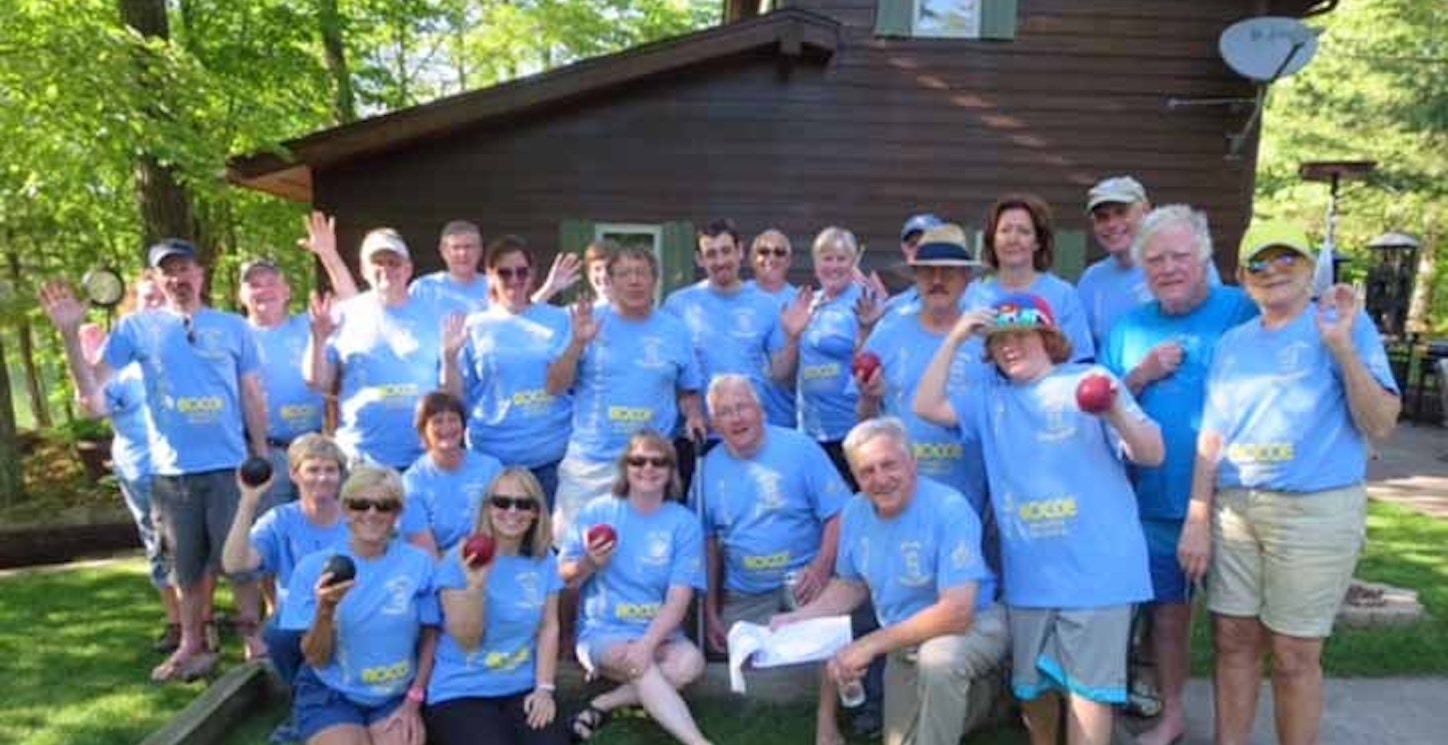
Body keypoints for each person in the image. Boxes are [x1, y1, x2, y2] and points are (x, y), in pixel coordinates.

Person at [1177, 220, 1400, 745]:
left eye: (1287, 259)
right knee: (1232, 640)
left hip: (1315, 510)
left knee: (1295, 653)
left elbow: (1382, 422)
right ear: (1241, 275)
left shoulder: (1343, 324)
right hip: (1236, 509)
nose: (1273, 270)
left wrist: (1342, 347)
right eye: (1260, 262)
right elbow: (1212, 437)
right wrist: (1197, 517)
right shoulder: (1232, 344)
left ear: (1309, 268)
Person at [914, 292, 1164, 745]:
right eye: (998, 340)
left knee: (1089, 694)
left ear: (1048, 337)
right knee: (1033, 693)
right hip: (1031, 577)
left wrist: (1113, 412)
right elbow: (926, 406)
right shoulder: (991, 402)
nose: (1010, 346)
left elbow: (1152, 452)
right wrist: (955, 337)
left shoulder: (1092, 379)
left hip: (1098, 573)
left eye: (1021, 335)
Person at [42, 239, 270, 682]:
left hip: (229, 469)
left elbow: (249, 393)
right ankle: (191, 646)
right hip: (171, 475)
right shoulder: (135, 329)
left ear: (200, 274)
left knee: (241, 563)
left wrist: (259, 453)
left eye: (184, 269)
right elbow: (91, 396)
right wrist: (70, 334)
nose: (177, 279)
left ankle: (254, 640)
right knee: (185, 570)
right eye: (167, 272)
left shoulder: (233, 327)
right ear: (156, 279)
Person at [1099, 205, 1257, 745]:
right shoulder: (1129, 329)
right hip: (1157, 500)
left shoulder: (1240, 311)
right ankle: (1172, 715)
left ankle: (1234, 729)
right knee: (1168, 617)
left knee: (1236, 627)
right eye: (1156, 259)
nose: (1168, 268)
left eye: (1179, 256)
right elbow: (1102, 405)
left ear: (1205, 258)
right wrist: (1140, 374)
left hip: (1234, 499)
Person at [771, 418, 1009, 745]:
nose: (880, 479)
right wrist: (797, 619)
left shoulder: (949, 507)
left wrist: (869, 645)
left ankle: (970, 693)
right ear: (854, 476)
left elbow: (957, 612)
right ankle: (987, 701)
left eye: (889, 464)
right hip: (903, 640)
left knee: (938, 663)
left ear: (912, 462)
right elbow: (851, 585)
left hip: (970, 626)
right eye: (866, 471)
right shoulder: (854, 512)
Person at [559, 432, 711, 745]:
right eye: (638, 461)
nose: (648, 468)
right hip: (603, 632)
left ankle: (602, 705)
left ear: (671, 471)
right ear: (625, 467)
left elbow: (678, 598)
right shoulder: (598, 511)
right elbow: (563, 577)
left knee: (690, 664)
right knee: (638, 662)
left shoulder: (683, 523)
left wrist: (647, 644)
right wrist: (589, 563)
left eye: (659, 462)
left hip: (661, 634)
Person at [548, 246, 706, 540]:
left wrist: (695, 414)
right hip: (592, 462)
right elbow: (555, 386)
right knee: (574, 558)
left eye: (641, 273)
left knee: (646, 560)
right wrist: (577, 345)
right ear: (610, 281)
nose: (634, 281)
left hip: (651, 467)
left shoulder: (675, 330)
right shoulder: (586, 321)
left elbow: (689, 390)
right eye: (624, 274)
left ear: (654, 280)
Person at [280, 465, 440, 745]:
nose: (372, 514)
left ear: (398, 514)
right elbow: (316, 657)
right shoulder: (314, 568)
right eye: (361, 504)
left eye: (385, 506)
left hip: (395, 693)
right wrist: (326, 609)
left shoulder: (419, 562)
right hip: (331, 691)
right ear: (345, 509)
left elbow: (431, 635)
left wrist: (414, 699)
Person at [698, 375, 849, 652]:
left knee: (823, 657)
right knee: (747, 671)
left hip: (806, 584)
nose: (736, 418)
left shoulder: (801, 448)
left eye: (742, 407)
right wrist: (709, 612)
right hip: (746, 593)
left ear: (761, 410)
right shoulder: (705, 469)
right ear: (714, 424)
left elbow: (839, 513)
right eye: (725, 412)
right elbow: (706, 546)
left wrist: (820, 569)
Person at [222, 433, 352, 744]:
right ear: (295, 474)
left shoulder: (357, 516)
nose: (322, 477)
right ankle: (304, 707)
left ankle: (308, 715)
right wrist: (248, 501)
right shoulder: (281, 519)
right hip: (299, 618)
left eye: (330, 470)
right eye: (313, 469)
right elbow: (235, 564)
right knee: (278, 633)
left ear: (340, 475)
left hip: (352, 611)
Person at [74, 271, 179, 651]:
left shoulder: (188, 345)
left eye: (160, 295)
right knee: (159, 546)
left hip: (187, 467)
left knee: (199, 546)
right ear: (131, 304)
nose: (154, 302)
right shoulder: (118, 360)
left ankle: (203, 620)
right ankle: (177, 622)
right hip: (142, 471)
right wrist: (84, 363)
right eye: (145, 296)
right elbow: (93, 407)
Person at [425, 468, 566, 745]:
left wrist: (544, 690)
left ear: (536, 512)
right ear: (488, 508)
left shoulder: (544, 559)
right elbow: (466, 639)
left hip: (520, 686)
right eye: (502, 502)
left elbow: (549, 626)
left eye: (523, 504)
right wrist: (476, 587)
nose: (512, 511)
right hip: (462, 689)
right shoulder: (460, 558)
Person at [857, 223, 989, 510]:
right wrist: (869, 397)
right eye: (927, 271)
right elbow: (865, 422)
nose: (937, 280)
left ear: (967, 279)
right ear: (915, 277)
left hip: (973, 501)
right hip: (902, 502)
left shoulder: (988, 336)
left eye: (949, 271)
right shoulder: (888, 330)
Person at [441, 236, 573, 504]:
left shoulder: (559, 320)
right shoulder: (474, 326)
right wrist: (449, 357)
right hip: (491, 458)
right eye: (504, 272)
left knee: (542, 543)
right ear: (490, 276)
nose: (514, 279)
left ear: (532, 274)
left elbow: (567, 383)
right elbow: (454, 398)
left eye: (522, 271)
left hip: (549, 456)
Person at [663, 218, 794, 482]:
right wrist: (692, 411)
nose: (720, 260)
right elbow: (670, 373)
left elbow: (781, 373)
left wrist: (793, 337)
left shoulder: (766, 305)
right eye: (711, 254)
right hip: (698, 435)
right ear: (700, 260)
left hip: (751, 435)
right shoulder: (678, 305)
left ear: (740, 252)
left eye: (725, 251)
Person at [306, 228, 447, 469]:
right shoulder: (343, 314)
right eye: (377, 262)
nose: (386, 269)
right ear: (363, 270)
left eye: (393, 262)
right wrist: (318, 339)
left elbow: (449, 387)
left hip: (422, 458)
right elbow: (318, 382)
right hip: (360, 457)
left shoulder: (435, 316)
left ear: (408, 269)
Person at [774, 226, 883, 486]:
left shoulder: (864, 303)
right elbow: (781, 375)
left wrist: (867, 329)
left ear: (853, 262)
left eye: (841, 258)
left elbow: (870, 370)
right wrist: (791, 336)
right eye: (827, 258)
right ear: (815, 264)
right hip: (809, 432)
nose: (833, 266)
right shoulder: (808, 303)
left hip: (850, 431)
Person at [1077, 178, 1224, 350]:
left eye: (1121, 212)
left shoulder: (1186, 264)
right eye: (1102, 217)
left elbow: (1215, 324)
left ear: (1146, 211)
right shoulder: (1091, 280)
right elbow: (1085, 351)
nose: (1112, 224)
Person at [238, 258, 328, 507]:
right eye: (254, 285)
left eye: (271, 283)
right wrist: (260, 453)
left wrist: (328, 254)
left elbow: (353, 302)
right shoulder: (234, 335)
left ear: (287, 291)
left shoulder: (310, 324)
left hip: (315, 451)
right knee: (270, 536)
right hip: (264, 453)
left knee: (319, 529)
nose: (263, 291)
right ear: (242, 295)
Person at [963, 194, 1094, 362]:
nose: (1013, 239)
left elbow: (1080, 361)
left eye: (1023, 231)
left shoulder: (1063, 295)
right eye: (1005, 230)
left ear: (1037, 242)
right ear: (992, 239)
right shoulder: (972, 295)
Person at [399, 391, 505, 556]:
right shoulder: (412, 482)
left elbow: (505, 528)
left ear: (464, 426)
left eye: (453, 419)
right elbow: (426, 555)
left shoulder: (491, 468)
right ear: (423, 430)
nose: (446, 428)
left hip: (494, 559)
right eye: (437, 421)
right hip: (442, 569)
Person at [745, 229, 800, 428]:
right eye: (764, 251)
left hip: (786, 418)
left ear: (789, 260)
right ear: (752, 258)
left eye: (779, 252)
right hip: (740, 420)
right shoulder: (738, 297)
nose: (771, 257)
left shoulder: (801, 302)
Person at [885, 213, 944, 309]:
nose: (919, 249)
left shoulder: (970, 294)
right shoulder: (894, 306)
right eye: (912, 244)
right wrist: (868, 323)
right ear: (904, 249)